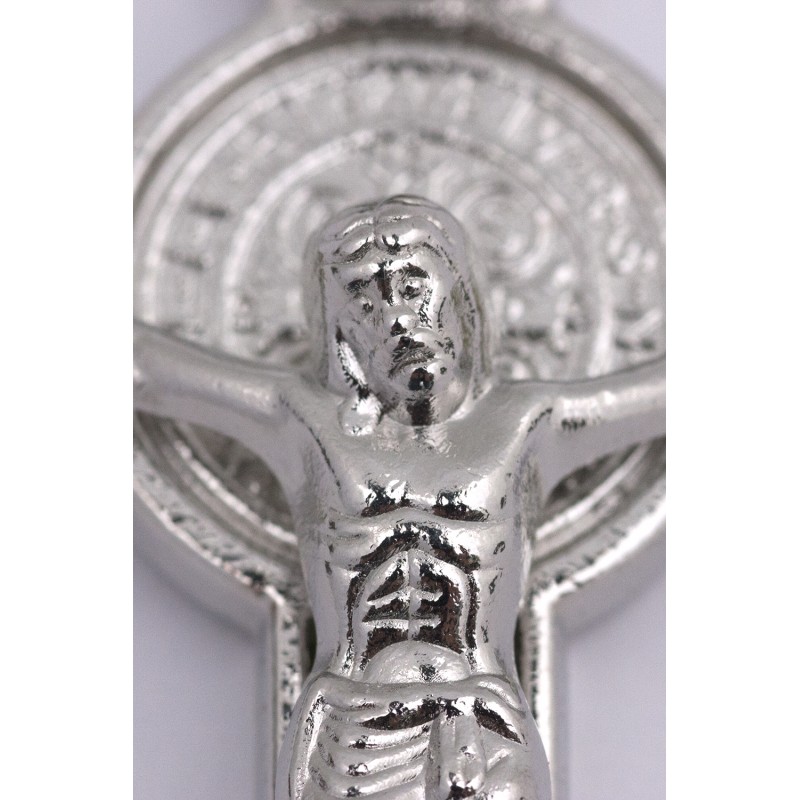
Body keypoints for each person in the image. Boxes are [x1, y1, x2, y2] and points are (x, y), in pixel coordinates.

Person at [134, 196, 665, 800]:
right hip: (350, 733)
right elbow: (148, 368)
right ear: (340, 331)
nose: (396, 318)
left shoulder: (525, 423)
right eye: (365, 304)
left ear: (458, 292)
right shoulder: (306, 422)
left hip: (481, 720)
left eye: (413, 288)